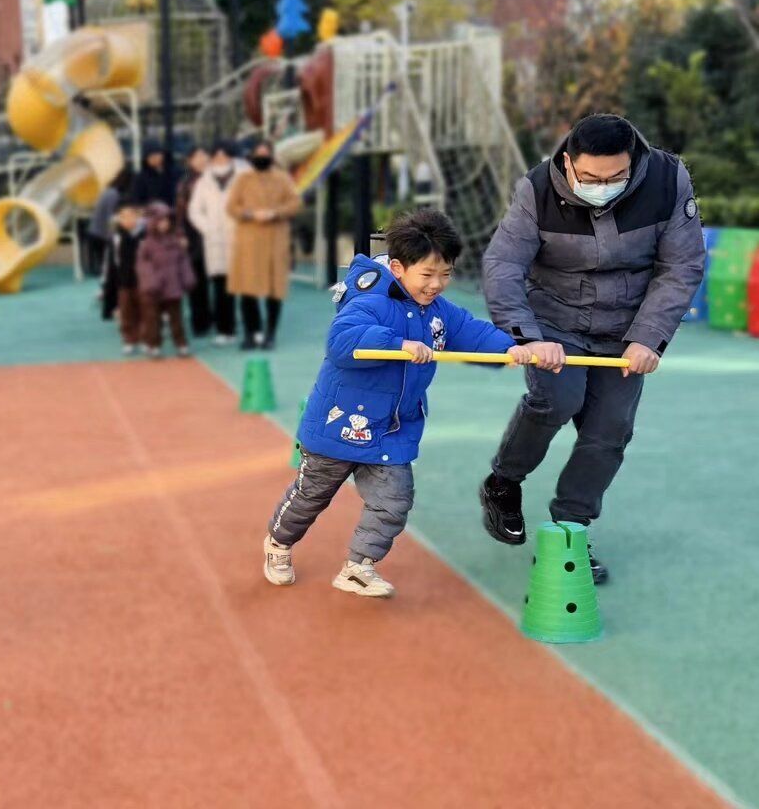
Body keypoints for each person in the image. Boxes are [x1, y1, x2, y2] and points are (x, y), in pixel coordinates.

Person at [263, 210, 540, 598]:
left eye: (445, 274)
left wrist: (511, 349)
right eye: (427, 275)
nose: (436, 284)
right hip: (338, 425)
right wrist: (397, 345)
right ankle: (278, 543)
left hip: (392, 430)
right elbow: (342, 341)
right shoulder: (370, 301)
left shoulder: (439, 311)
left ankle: (358, 566)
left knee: (394, 502)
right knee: (310, 497)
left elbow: (472, 333)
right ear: (398, 268)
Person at [479, 113, 705, 583]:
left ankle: (570, 531)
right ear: (568, 162)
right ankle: (503, 482)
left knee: (610, 431)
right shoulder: (536, 190)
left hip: (626, 330)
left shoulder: (668, 179)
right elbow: (503, 265)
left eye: (616, 177)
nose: (604, 187)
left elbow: (681, 265)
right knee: (557, 400)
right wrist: (528, 336)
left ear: (633, 161)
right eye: (591, 178)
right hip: (554, 321)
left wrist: (649, 337)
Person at [226, 141, 302, 350]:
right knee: (247, 290)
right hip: (248, 242)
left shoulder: (282, 178)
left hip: (275, 241)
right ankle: (251, 334)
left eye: (265, 153)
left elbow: (295, 203)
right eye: (258, 153)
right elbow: (231, 206)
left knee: (274, 290)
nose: (261, 157)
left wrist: (275, 213)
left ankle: (270, 334)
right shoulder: (243, 179)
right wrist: (251, 214)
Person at [187, 144, 247, 346]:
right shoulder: (204, 181)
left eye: (225, 155)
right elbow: (194, 210)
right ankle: (224, 329)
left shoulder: (243, 175)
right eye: (217, 156)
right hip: (214, 242)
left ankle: (248, 329)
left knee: (243, 287)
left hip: (240, 238)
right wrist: (208, 228)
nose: (221, 160)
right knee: (220, 286)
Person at [137, 204, 196, 358]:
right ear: (153, 222)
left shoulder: (176, 241)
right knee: (153, 319)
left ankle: (181, 344)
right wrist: (151, 282)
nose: (164, 224)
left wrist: (187, 278)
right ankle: (154, 344)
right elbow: (143, 265)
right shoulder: (147, 244)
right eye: (160, 220)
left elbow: (183, 261)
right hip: (154, 289)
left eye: (167, 220)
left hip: (173, 286)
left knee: (176, 318)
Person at [174, 147, 212, 339]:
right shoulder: (185, 183)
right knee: (197, 280)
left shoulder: (215, 179)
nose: (202, 160)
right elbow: (180, 213)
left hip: (216, 234)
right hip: (194, 236)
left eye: (204, 156)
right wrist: (181, 234)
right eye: (197, 157)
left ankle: (217, 318)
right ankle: (199, 321)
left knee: (219, 280)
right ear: (190, 161)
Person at [101, 201, 146, 356]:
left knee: (144, 311)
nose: (127, 220)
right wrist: (106, 283)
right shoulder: (116, 238)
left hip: (142, 280)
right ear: (118, 219)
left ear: (138, 217)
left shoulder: (145, 236)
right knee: (125, 312)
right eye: (123, 216)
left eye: (131, 216)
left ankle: (144, 339)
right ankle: (129, 340)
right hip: (123, 281)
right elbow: (110, 262)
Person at [85, 166, 130, 279]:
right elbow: (110, 218)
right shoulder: (114, 195)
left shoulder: (108, 191)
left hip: (94, 232)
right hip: (100, 235)